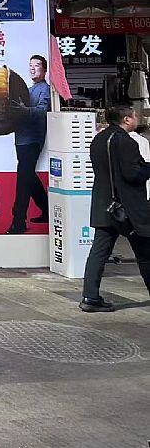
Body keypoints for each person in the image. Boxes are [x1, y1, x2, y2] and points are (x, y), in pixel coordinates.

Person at [80, 105, 150, 312]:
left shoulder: (98, 140)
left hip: (104, 205)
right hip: (128, 208)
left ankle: (90, 297)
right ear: (126, 119)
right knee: (145, 253)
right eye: (134, 115)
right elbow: (132, 174)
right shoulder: (126, 141)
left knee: (99, 252)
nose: (136, 118)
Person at [7, 55, 51, 234]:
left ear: (44, 70)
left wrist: (23, 110)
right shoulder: (29, 89)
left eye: (37, 65)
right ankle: (47, 209)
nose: (32, 68)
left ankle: (18, 222)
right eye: (30, 65)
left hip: (33, 140)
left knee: (23, 180)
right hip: (21, 139)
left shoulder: (45, 89)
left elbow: (42, 111)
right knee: (28, 176)